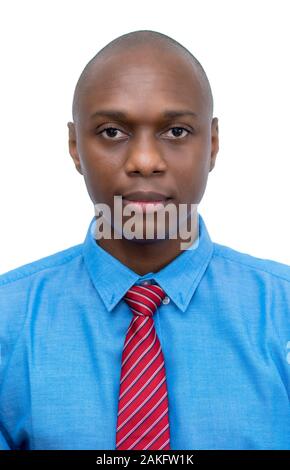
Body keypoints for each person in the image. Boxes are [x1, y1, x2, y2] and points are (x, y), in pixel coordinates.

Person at [0, 29, 289, 451]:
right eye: (113, 132)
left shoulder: (282, 316)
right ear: (75, 147)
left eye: (175, 132)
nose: (145, 162)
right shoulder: (7, 324)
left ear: (212, 144)